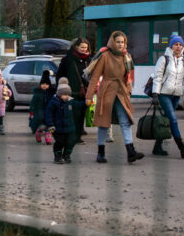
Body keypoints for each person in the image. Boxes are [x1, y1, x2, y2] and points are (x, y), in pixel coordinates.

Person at [85, 31, 144, 164]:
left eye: (122, 42)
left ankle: (131, 152)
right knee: (103, 123)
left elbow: (129, 77)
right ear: (112, 42)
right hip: (106, 91)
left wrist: (128, 91)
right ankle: (100, 153)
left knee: (125, 121)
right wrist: (89, 96)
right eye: (117, 42)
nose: (120, 44)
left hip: (121, 92)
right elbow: (94, 77)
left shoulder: (127, 56)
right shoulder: (104, 56)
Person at [151, 35, 184, 158]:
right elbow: (157, 77)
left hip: (176, 95)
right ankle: (181, 146)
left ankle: (157, 147)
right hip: (164, 94)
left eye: (180, 45)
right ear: (171, 46)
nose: (178, 46)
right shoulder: (164, 59)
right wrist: (155, 94)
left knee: (167, 121)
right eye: (176, 44)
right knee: (173, 119)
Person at [56, 38, 91, 144]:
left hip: (84, 92)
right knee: (73, 115)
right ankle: (72, 136)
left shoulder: (88, 60)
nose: (84, 49)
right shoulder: (68, 59)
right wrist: (62, 88)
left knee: (81, 115)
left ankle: (78, 135)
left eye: (86, 47)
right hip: (71, 92)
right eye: (82, 47)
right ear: (76, 47)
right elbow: (60, 75)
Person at [45, 77, 85, 164]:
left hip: (70, 128)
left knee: (71, 142)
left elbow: (78, 105)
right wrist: (50, 125)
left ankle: (66, 155)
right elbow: (49, 114)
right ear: (59, 94)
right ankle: (58, 156)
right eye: (64, 94)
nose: (66, 96)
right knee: (59, 142)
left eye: (68, 94)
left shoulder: (70, 101)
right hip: (56, 128)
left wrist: (85, 104)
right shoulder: (54, 102)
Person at [29, 70, 55, 145]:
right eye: (43, 84)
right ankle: (38, 133)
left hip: (49, 113)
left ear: (49, 85)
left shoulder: (51, 94)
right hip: (40, 114)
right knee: (42, 127)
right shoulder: (37, 94)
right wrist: (32, 112)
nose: (44, 85)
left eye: (46, 84)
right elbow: (33, 104)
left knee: (49, 128)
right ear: (40, 85)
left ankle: (48, 139)